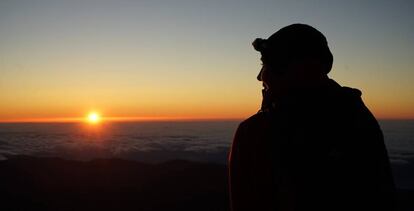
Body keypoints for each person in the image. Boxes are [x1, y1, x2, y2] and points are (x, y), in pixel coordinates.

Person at [228, 24, 395, 211]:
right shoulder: (358, 118)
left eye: (265, 65)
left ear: (292, 69)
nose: (260, 76)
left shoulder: (254, 132)